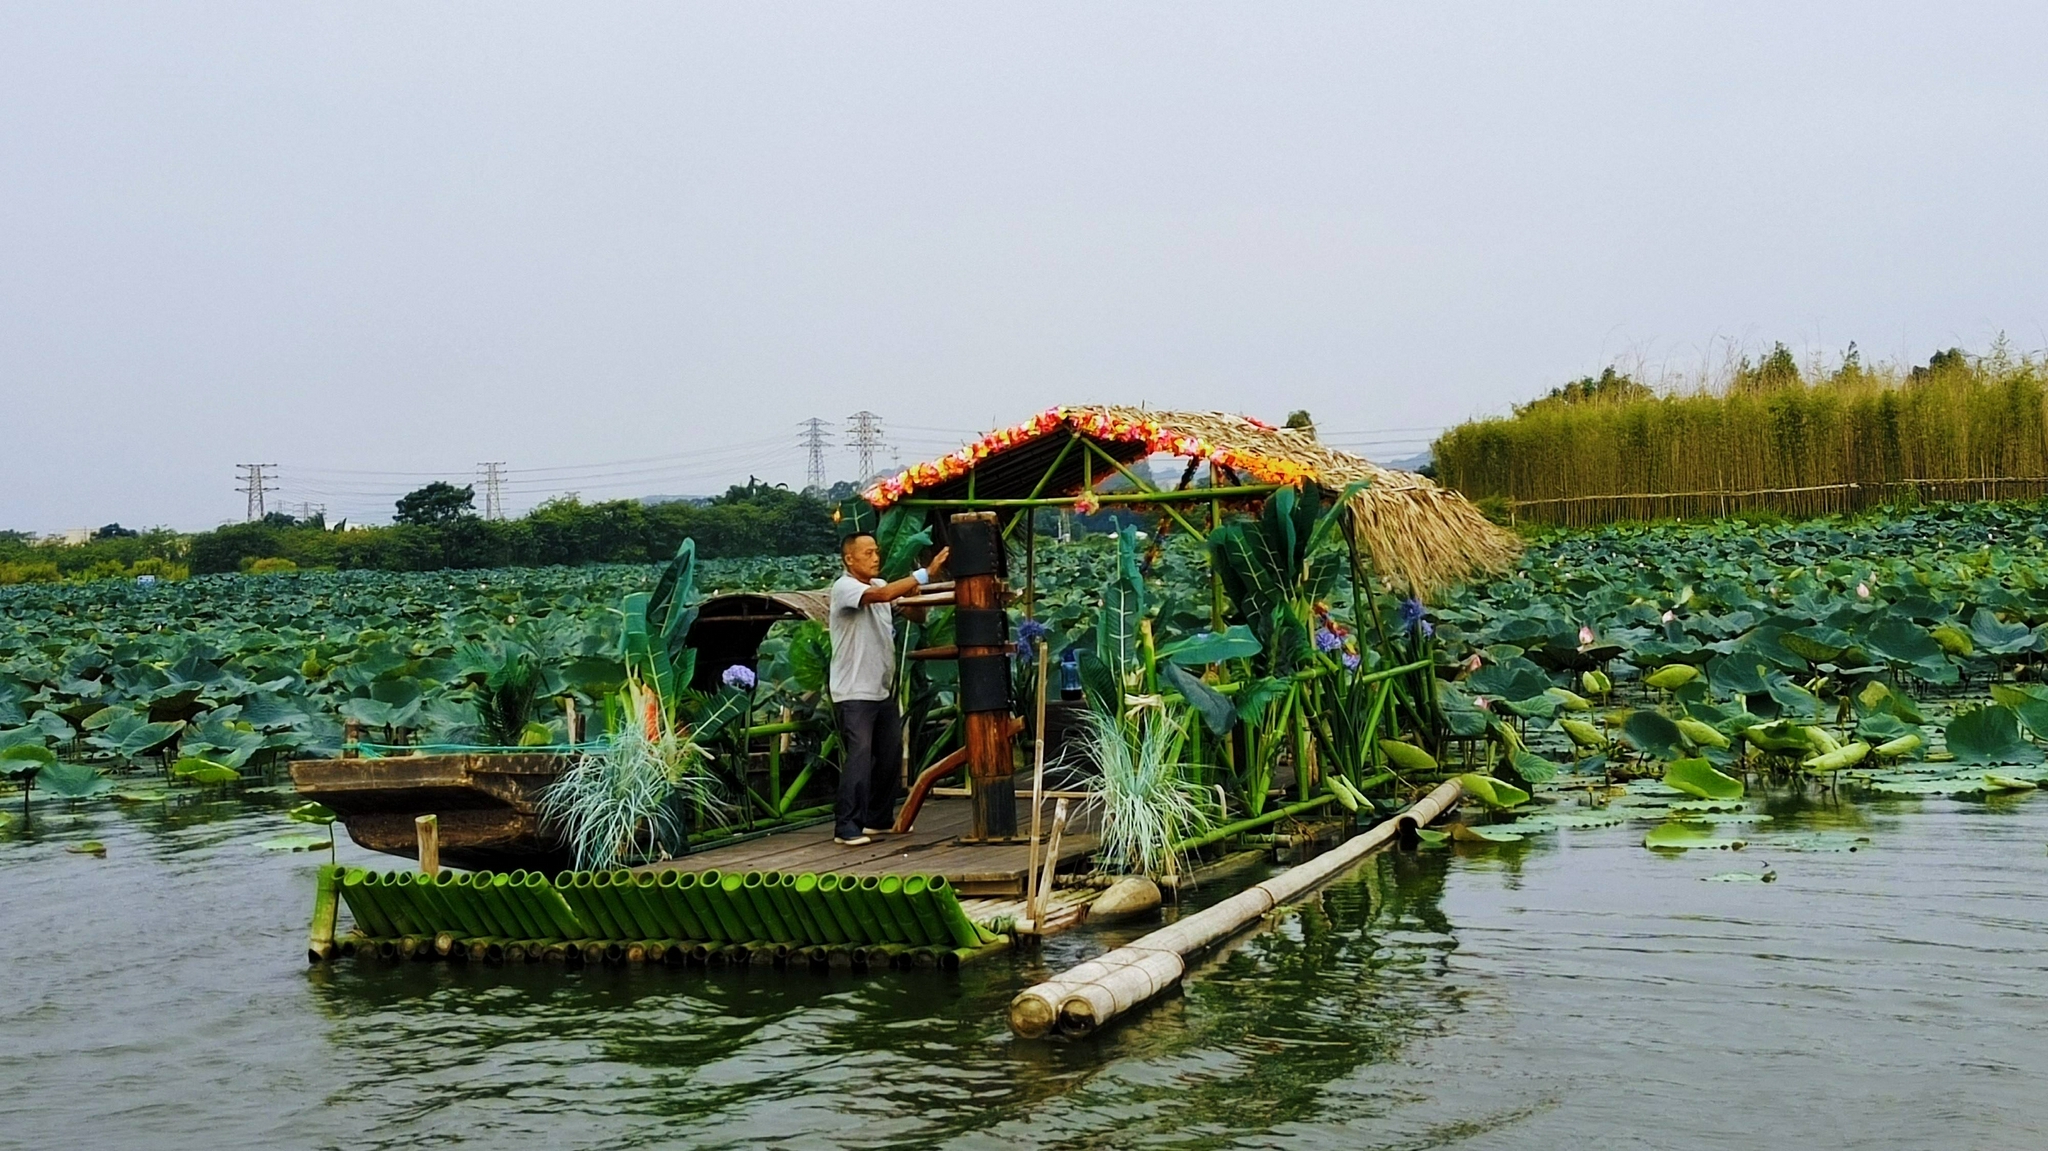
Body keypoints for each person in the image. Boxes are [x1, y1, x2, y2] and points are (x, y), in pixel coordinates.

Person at [828, 533, 948, 846]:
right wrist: (924, 573)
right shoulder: (846, 588)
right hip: (853, 692)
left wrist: (915, 592)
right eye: (867, 553)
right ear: (849, 559)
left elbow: (915, 614)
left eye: (876, 552)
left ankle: (877, 820)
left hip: (880, 690)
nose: (875, 557)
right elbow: (880, 598)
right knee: (860, 756)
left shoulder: (880, 586)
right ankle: (846, 827)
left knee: (891, 754)